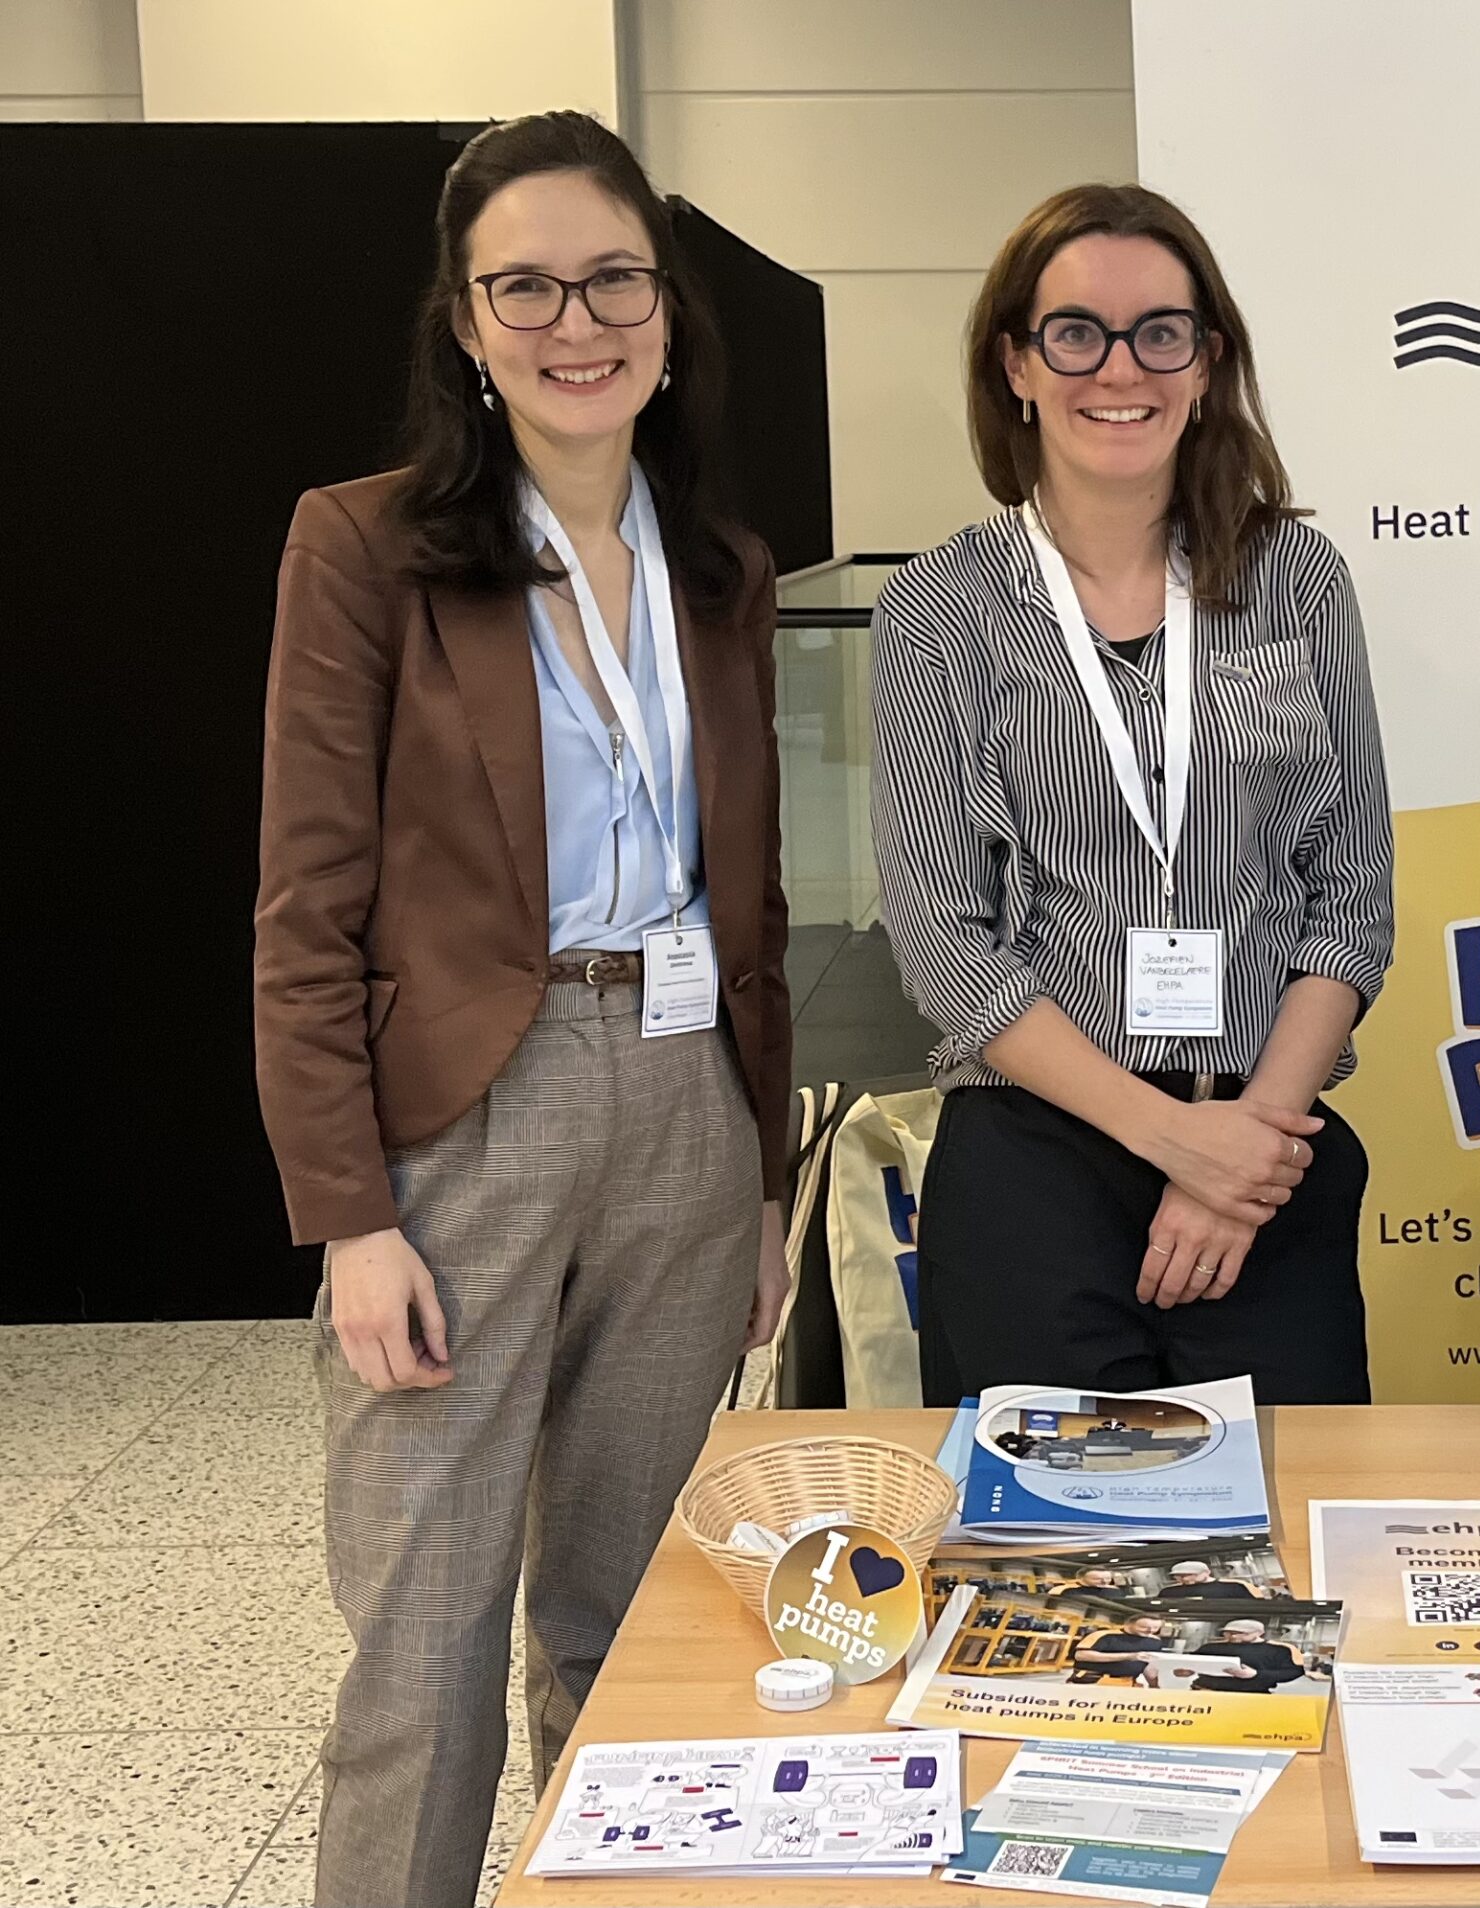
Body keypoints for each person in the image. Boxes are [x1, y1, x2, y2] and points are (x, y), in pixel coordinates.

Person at [252, 111, 792, 1908]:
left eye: (615, 279)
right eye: (528, 287)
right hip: (470, 1116)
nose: (579, 322)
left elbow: (752, 896)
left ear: (668, 309)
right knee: (424, 1641)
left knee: (631, 1620)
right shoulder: (365, 546)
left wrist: (766, 1180)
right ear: (468, 323)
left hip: (690, 1101)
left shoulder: (719, 566)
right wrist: (350, 1219)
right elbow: (305, 908)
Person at [871, 183, 1394, 1405]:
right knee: (1057, 1521)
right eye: (1076, 334)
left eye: (1161, 333)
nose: (1121, 369)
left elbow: (1353, 898)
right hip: (1037, 1155)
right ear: (1016, 365)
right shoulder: (939, 610)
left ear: (1206, 364)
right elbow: (944, 944)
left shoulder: (1298, 580)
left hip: (1265, 1144)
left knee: (1287, 1505)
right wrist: (1172, 1143)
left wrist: (1240, 1152)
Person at [1190, 1617, 1311, 1692]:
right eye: (1228, 1633)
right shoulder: (1210, 1648)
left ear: (1259, 1633)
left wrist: (1256, 1674)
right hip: (1206, 1692)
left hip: (1252, 1696)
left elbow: (1293, 1672)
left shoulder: (1278, 1650)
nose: (1233, 1636)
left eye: (1240, 1633)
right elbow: (1190, 1663)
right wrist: (1186, 1670)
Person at [1070, 1612, 1179, 1683]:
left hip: (1128, 1683)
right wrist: (1128, 1656)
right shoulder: (1104, 1635)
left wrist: (1154, 1685)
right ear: (1129, 1624)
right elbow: (1081, 1655)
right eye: (1144, 1627)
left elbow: (1150, 1666)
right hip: (1092, 1680)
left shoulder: (1154, 1641)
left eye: (1155, 1628)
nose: (1150, 1631)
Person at [1165, 1559, 1265, 1601]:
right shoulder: (1169, 1592)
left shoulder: (1233, 1587)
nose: (1185, 1578)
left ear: (1207, 1572)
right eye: (1179, 1576)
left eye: (1190, 1575)